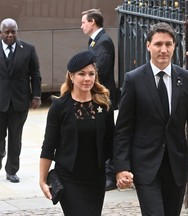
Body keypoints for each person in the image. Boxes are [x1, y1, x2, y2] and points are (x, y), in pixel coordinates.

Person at [113, 22, 188, 216]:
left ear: (174, 46)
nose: (163, 50)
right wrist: (121, 166)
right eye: (158, 44)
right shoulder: (134, 79)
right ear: (148, 45)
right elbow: (123, 128)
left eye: (168, 44)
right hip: (145, 165)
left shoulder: (187, 79)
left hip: (176, 166)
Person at [39, 50, 114, 216]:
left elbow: (112, 141)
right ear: (71, 76)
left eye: (91, 74)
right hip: (69, 177)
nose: (87, 78)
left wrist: (121, 169)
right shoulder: (59, 107)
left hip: (96, 178)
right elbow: (49, 145)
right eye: (81, 74)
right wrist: (42, 180)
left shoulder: (103, 105)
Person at [0, 18, 42, 183]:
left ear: (17, 31)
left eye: (13, 31)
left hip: (19, 102)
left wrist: (37, 96)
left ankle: (12, 170)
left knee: (15, 138)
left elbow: (35, 74)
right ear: (1, 33)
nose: (10, 35)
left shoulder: (28, 49)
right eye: (7, 32)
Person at [81, 8, 117, 191]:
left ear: (93, 22)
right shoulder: (95, 40)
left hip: (103, 97)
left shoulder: (103, 41)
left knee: (107, 133)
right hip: (98, 96)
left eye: (84, 22)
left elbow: (100, 68)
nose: (82, 26)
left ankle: (111, 174)